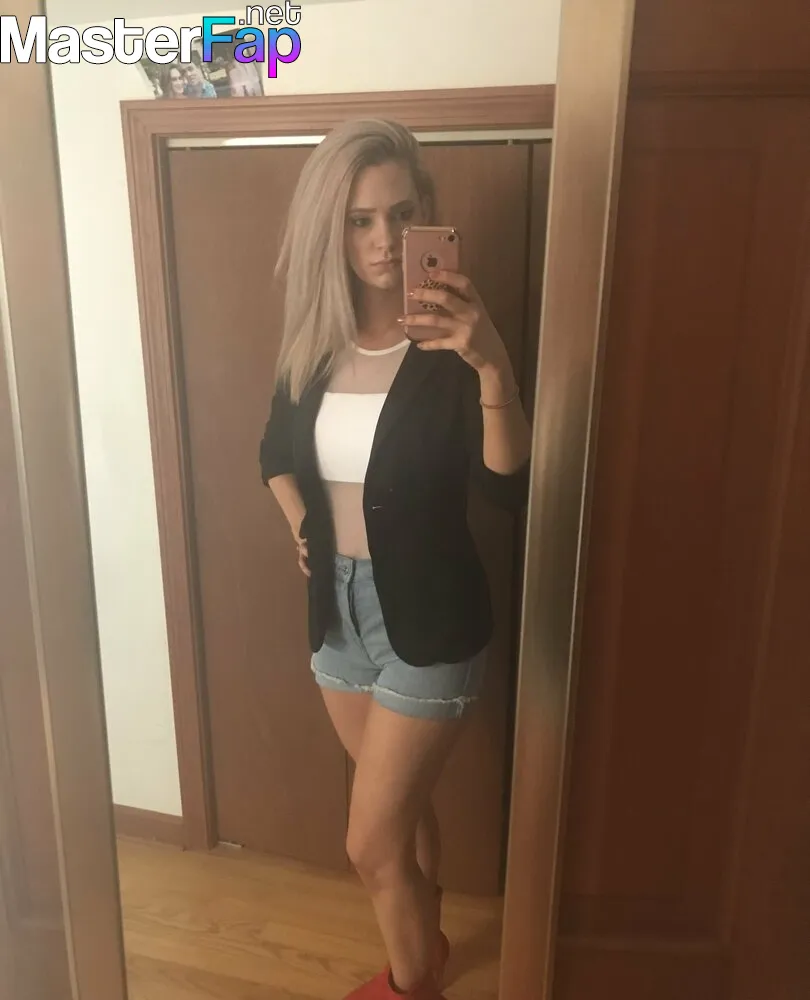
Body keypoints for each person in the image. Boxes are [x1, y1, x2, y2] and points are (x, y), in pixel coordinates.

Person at [259, 119, 532, 1000]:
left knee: (369, 841)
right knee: (401, 819)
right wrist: (302, 525)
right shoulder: (312, 348)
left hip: (431, 617)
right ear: (330, 232)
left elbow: (507, 490)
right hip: (337, 618)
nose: (383, 240)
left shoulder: (454, 349)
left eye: (401, 215)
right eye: (360, 220)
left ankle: (414, 985)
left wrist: (492, 368)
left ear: (426, 219)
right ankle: (428, 933)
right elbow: (273, 453)